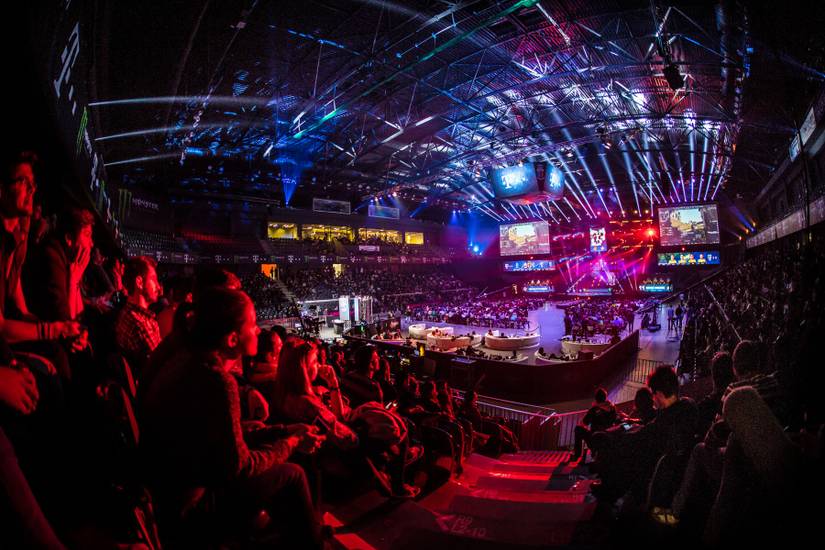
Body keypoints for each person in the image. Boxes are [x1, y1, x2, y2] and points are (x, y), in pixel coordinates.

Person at [140, 288, 326, 547]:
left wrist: (283, 431)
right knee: (293, 474)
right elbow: (239, 467)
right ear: (232, 339)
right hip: (192, 508)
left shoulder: (187, 360)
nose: (258, 330)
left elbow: (223, 439)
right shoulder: (217, 381)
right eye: (252, 324)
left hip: (171, 495)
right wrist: (290, 443)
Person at [23, 207, 94, 322]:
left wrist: (75, 281)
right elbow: (65, 321)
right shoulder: (52, 257)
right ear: (69, 238)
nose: (91, 243)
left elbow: (80, 315)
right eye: (87, 235)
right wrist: (73, 282)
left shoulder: (71, 263)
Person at [114, 256, 161, 376]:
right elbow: (161, 367)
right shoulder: (140, 325)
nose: (158, 286)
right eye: (154, 280)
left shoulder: (126, 313)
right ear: (139, 282)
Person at [571, 388, 617, 462]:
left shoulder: (594, 409)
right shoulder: (612, 408)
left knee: (578, 429)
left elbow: (584, 423)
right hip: (608, 438)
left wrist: (591, 409)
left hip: (595, 439)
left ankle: (577, 454)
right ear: (605, 398)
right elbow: (615, 420)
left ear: (596, 399)